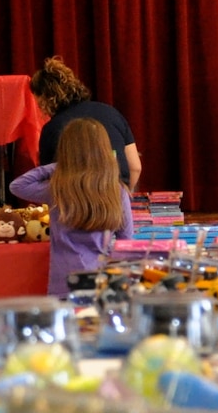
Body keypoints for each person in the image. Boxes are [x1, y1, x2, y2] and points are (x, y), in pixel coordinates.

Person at [9, 117, 135, 294]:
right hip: (101, 283)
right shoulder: (117, 190)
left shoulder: (57, 189)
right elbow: (127, 240)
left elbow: (17, 186)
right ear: (105, 151)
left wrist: (58, 167)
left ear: (65, 151)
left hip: (63, 284)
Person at [30, 56, 141, 190]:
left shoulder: (51, 129)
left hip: (76, 205)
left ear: (44, 99)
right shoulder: (111, 112)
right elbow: (135, 167)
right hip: (116, 200)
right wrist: (125, 198)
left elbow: (49, 182)